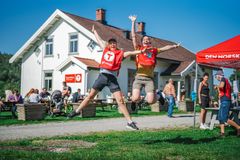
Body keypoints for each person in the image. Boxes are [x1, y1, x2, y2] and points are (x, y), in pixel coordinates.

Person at [68, 25, 150, 130]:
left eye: (114, 43)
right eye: (110, 43)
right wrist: (94, 31)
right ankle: (76, 111)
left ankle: (129, 122)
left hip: (112, 79)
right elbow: (99, 40)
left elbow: (131, 52)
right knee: (90, 96)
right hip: (102, 76)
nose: (112, 44)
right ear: (108, 44)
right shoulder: (105, 49)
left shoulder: (120, 53)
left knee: (120, 100)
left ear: (116, 45)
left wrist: (141, 51)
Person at [129, 15, 180, 105]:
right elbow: (133, 36)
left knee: (150, 101)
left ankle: (160, 96)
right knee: (135, 97)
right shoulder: (138, 48)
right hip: (138, 77)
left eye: (147, 39)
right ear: (142, 42)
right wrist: (133, 22)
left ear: (149, 42)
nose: (146, 40)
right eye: (144, 39)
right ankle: (134, 101)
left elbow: (165, 48)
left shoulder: (154, 50)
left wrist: (174, 46)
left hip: (149, 79)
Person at [215, 70, 240, 137]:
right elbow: (228, 89)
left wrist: (217, 86)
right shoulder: (227, 81)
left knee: (225, 118)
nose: (216, 78)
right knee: (220, 117)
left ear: (218, 75)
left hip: (225, 101)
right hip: (225, 100)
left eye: (216, 76)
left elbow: (222, 86)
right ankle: (222, 133)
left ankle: (238, 128)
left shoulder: (223, 79)